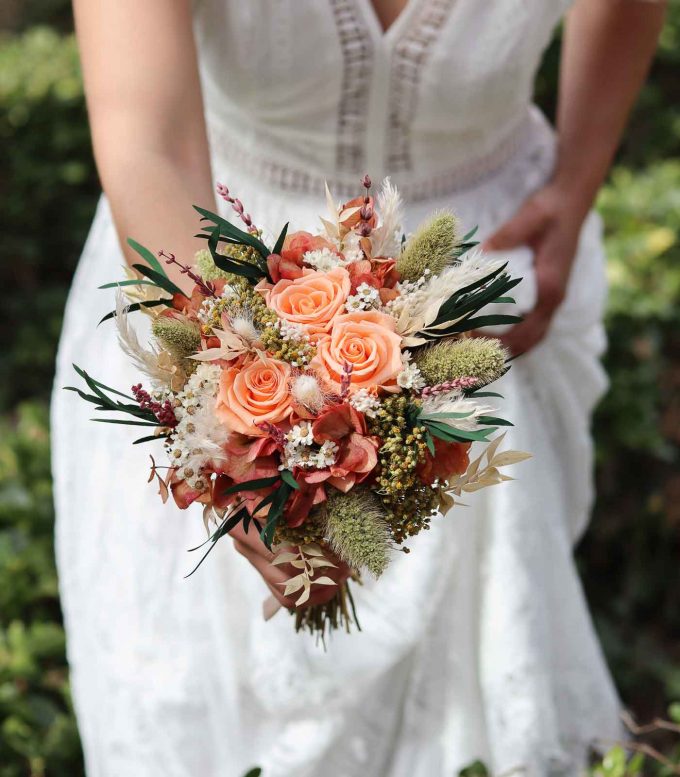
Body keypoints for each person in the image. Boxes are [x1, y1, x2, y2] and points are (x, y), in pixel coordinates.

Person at [51, 1, 666, 775]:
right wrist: (235, 422)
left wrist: (575, 186)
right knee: (193, 701)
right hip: (204, 277)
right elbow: (151, 146)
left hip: (483, 286)